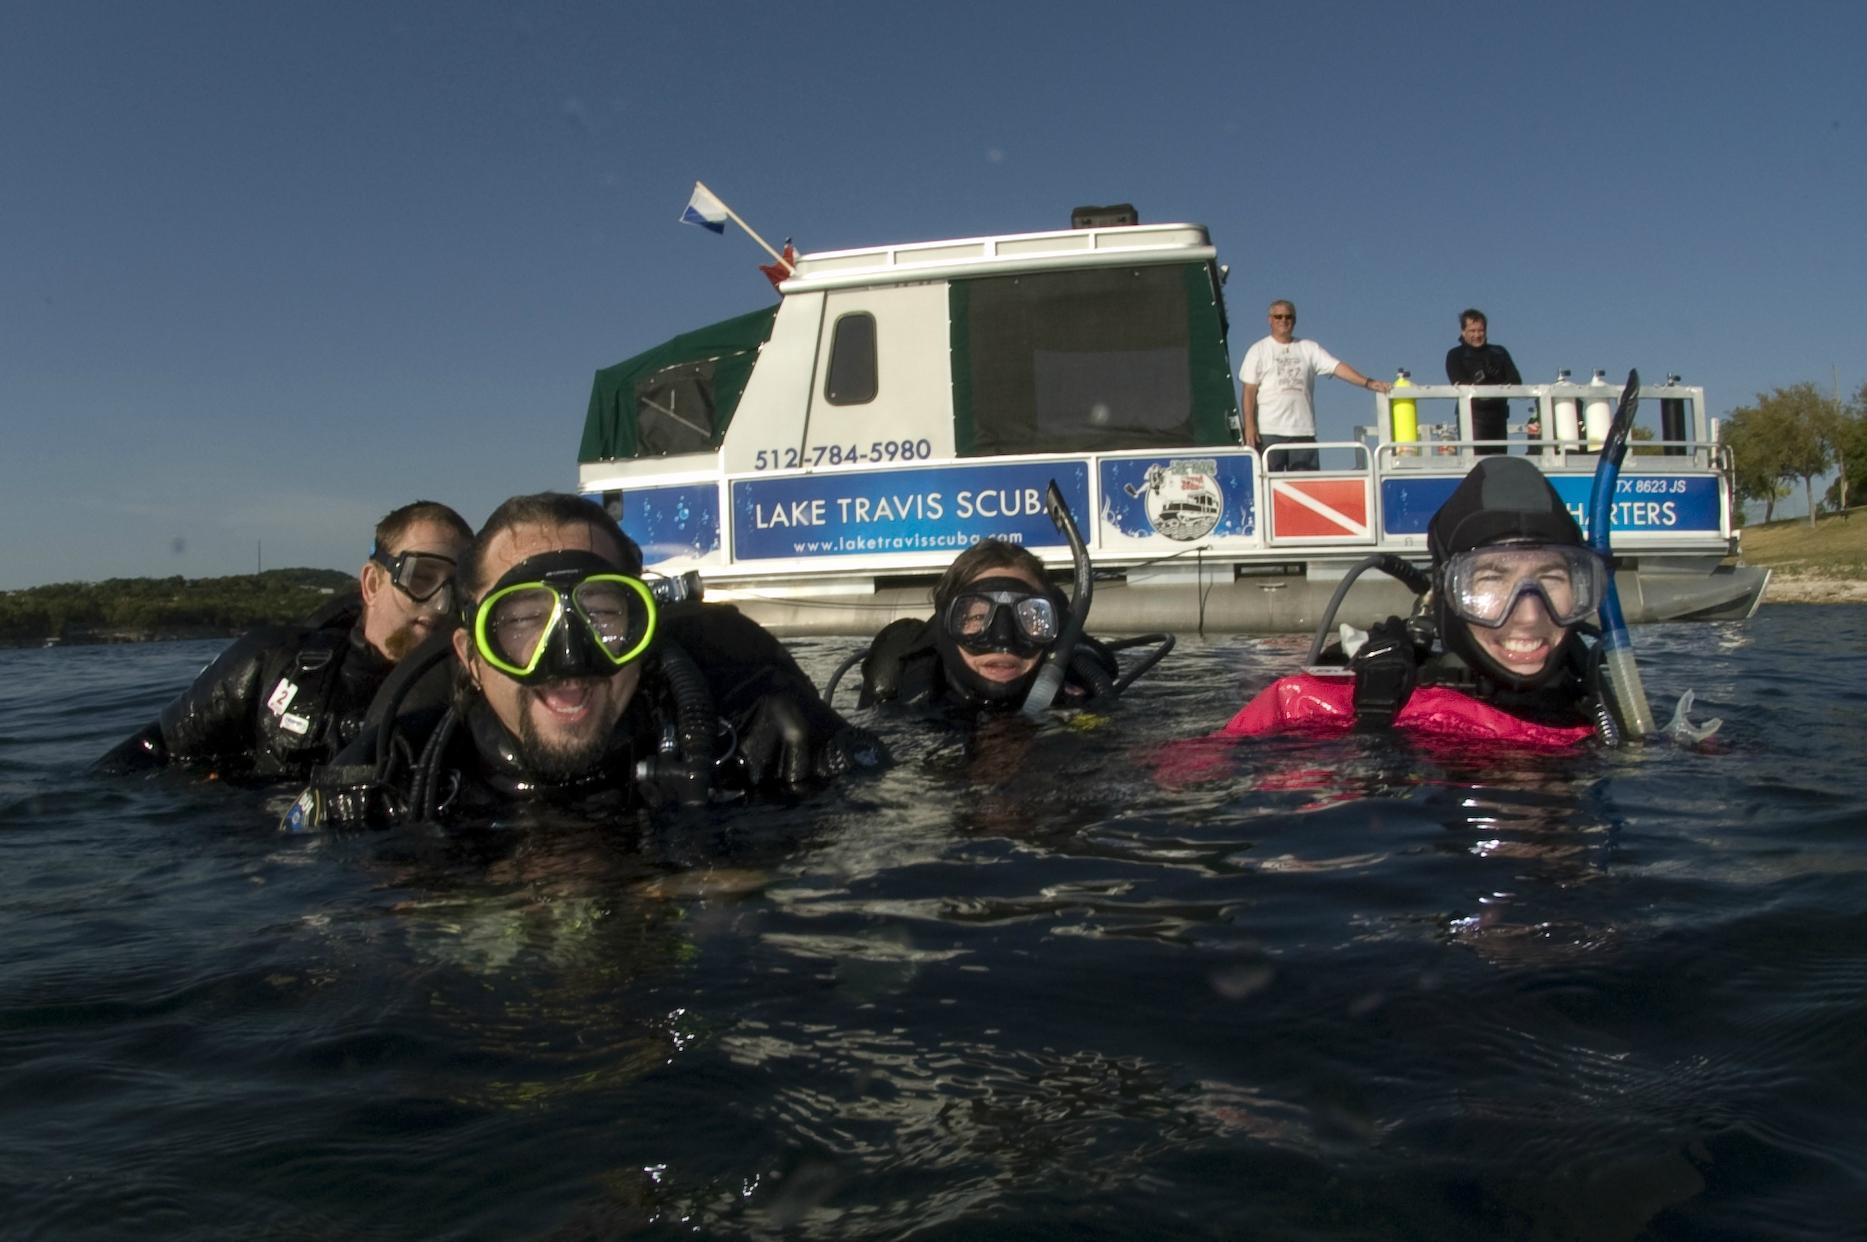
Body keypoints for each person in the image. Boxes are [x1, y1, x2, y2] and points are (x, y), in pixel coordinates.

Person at [289, 492, 880, 828]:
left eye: (602, 614)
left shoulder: (752, 744)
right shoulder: (399, 779)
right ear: (470, 656)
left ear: (644, 630)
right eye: (521, 623)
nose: (568, 658)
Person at [1222, 457, 1607, 745]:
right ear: (1445, 593)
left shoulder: (1612, 714)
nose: (1528, 614)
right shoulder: (1315, 708)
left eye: (1552, 578)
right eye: (1491, 578)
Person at [97, 500, 474, 780]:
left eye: (455, 589)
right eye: (421, 578)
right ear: (372, 583)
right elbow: (147, 756)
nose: (441, 605)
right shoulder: (272, 664)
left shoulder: (473, 694)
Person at [856, 539, 1123, 712]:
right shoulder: (907, 700)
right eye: (975, 617)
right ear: (946, 623)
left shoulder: (1079, 700)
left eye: (1029, 616)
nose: (1004, 639)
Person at [1239, 299, 1390, 471]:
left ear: (1294, 321)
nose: (1283, 320)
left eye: (1288, 317)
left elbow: (1337, 367)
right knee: (1267, 487)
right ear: (1270, 320)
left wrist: (1368, 383)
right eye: (1278, 316)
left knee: (1305, 488)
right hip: (1269, 432)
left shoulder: (1308, 348)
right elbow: (1249, 391)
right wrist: (1249, 426)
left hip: (1303, 432)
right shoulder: (1258, 350)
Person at [1444, 308, 1524, 455]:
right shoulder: (1455, 355)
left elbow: (1516, 383)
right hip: (1472, 418)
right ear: (1463, 332)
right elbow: (1459, 383)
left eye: (1480, 330)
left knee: (1498, 465)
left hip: (1498, 417)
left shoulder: (1499, 352)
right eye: (1472, 331)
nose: (1477, 335)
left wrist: (1497, 376)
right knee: (1476, 465)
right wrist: (1481, 377)